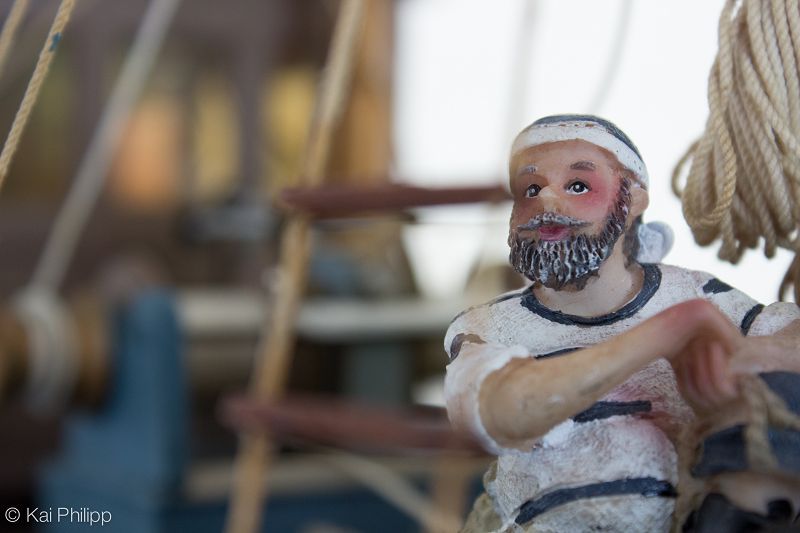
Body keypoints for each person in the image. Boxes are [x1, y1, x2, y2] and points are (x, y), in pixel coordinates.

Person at [443, 115, 800, 532]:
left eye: (578, 186)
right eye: (531, 189)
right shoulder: (490, 324)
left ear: (632, 200)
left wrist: (747, 362)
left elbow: (788, 335)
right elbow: (498, 412)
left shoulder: (694, 293)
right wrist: (668, 331)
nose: (548, 202)